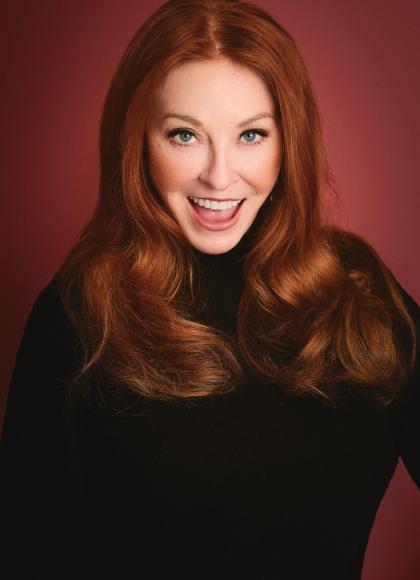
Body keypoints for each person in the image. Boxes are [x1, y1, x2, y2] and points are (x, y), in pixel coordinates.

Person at [1, 0, 418, 578]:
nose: (219, 177)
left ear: (288, 141)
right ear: (138, 140)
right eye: (184, 135)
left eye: (251, 134)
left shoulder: (357, 289)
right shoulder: (79, 312)